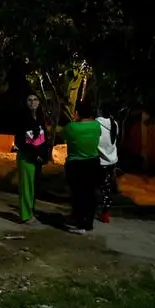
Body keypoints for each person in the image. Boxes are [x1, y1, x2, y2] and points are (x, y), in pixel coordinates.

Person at [62, 100, 102, 234]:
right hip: (93, 163)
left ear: (77, 113)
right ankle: (88, 223)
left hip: (76, 164)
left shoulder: (71, 127)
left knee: (77, 194)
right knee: (90, 194)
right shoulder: (96, 125)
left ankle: (80, 223)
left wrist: (74, 120)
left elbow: (64, 136)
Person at [14, 93, 49, 224]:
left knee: (34, 187)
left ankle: (31, 211)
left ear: (39, 102)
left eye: (35, 99)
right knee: (26, 187)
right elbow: (22, 141)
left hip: (38, 158)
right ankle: (25, 215)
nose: (32, 102)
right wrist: (35, 155)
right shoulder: (22, 118)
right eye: (29, 100)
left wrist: (43, 156)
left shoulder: (40, 118)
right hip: (26, 157)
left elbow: (43, 138)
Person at [96, 108, 119, 223]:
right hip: (112, 160)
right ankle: (105, 213)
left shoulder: (96, 124)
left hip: (101, 161)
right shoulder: (114, 123)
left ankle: (99, 212)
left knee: (96, 187)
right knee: (107, 188)